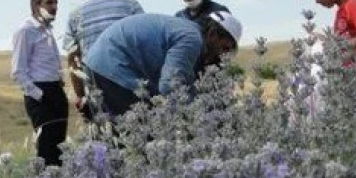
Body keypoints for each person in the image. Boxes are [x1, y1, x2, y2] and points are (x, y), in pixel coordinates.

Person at [83, 11, 242, 119]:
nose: (222, 56)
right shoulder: (192, 39)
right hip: (114, 68)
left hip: (98, 63)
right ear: (213, 34)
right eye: (224, 48)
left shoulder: (187, 30)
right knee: (142, 135)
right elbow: (171, 85)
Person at [62, 0, 144, 119]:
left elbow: (73, 58)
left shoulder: (76, 14)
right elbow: (144, 44)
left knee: (102, 140)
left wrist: (80, 96)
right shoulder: (130, 4)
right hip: (130, 85)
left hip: (94, 88)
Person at [10, 0, 68, 167]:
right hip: (40, 94)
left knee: (60, 145)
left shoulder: (47, 30)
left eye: (56, 2)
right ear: (36, 6)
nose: (55, 6)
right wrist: (40, 95)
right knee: (46, 147)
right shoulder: (26, 30)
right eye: (49, 2)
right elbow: (18, 71)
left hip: (56, 90)